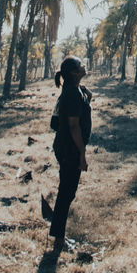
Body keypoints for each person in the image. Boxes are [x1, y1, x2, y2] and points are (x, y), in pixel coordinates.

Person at [43, 55, 92, 253]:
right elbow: (73, 127)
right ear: (74, 72)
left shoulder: (73, 90)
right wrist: (82, 154)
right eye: (81, 65)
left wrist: (86, 93)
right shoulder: (72, 94)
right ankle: (58, 240)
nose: (84, 66)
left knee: (67, 191)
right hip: (70, 149)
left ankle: (58, 236)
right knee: (66, 193)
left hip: (65, 147)